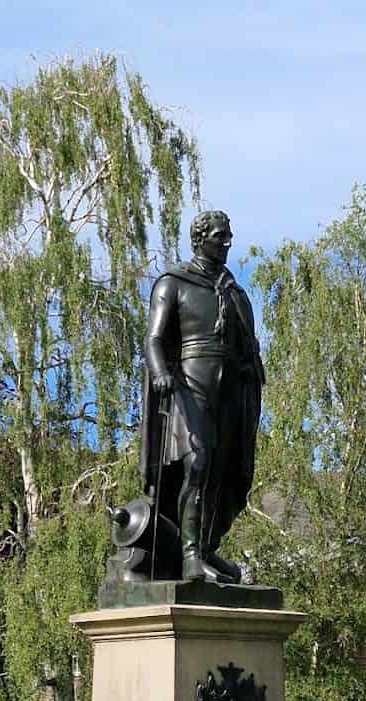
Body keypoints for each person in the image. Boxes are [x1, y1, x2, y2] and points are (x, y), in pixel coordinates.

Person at [140, 209, 265, 582]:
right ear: (200, 239)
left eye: (228, 235)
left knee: (227, 473)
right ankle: (190, 556)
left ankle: (206, 547)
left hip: (230, 393)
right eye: (219, 235)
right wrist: (161, 373)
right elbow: (155, 339)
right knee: (197, 464)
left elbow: (248, 348)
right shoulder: (173, 283)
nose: (227, 241)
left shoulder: (234, 292)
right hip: (189, 388)